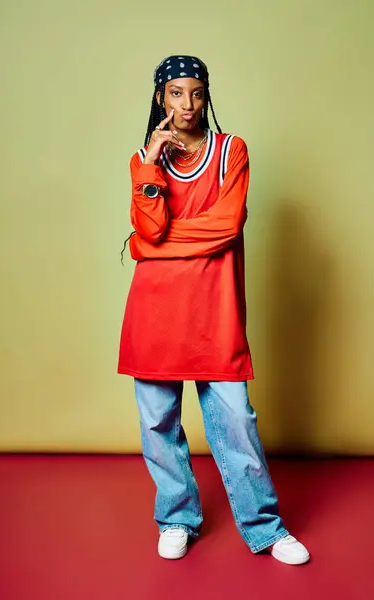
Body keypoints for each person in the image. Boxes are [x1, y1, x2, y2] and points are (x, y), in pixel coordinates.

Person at [117, 55, 310, 566]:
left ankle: (265, 526)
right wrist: (152, 167)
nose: (187, 104)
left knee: (236, 422)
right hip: (154, 313)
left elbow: (224, 227)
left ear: (207, 96)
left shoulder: (231, 151)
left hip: (214, 313)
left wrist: (147, 247)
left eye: (196, 92)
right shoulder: (143, 160)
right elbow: (151, 224)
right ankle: (177, 517)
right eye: (176, 93)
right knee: (158, 424)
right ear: (161, 98)